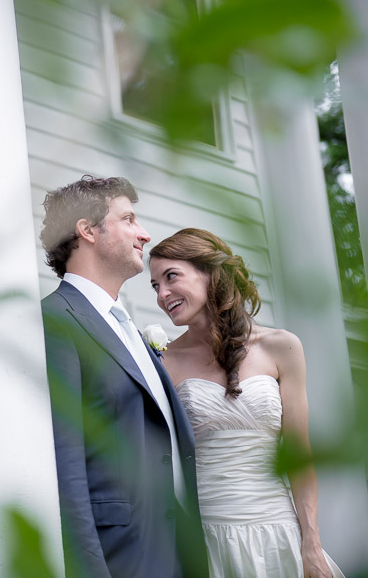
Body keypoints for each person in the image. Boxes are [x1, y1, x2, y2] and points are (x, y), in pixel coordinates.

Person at [148, 227, 344, 578]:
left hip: (278, 532)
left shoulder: (282, 346)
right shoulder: (163, 361)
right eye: (155, 286)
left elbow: (299, 455)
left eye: (171, 277)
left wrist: (311, 543)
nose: (162, 294)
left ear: (210, 272)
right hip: (208, 538)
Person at [40, 175, 208, 578]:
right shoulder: (56, 320)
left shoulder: (129, 325)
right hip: (123, 558)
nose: (145, 234)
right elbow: (66, 466)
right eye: (129, 219)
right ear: (86, 230)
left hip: (176, 552)